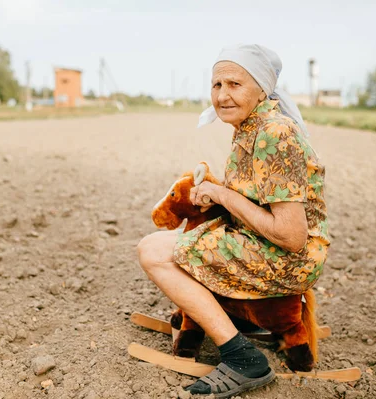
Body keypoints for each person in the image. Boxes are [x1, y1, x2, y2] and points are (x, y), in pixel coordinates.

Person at [137, 44, 329, 398]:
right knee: (181, 241)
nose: (222, 95)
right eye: (216, 85)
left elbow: (290, 236)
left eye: (234, 84)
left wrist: (223, 195)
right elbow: (259, 196)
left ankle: (242, 359)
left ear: (261, 88)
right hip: (263, 243)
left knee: (152, 251)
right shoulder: (250, 126)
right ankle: (237, 319)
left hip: (286, 258)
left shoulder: (275, 133)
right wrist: (215, 190)